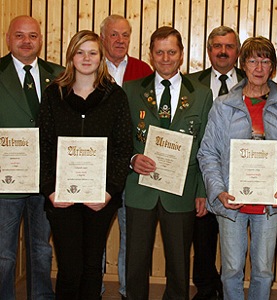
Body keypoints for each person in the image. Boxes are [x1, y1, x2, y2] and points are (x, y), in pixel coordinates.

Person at [198, 36, 277, 300]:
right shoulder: (223, 105)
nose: (259, 67)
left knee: (263, 269)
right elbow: (208, 152)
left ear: (273, 67)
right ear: (243, 65)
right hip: (231, 200)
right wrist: (218, 191)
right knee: (232, 268)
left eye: (265, 60)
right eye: (253, 60)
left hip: (268, 201)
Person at [39, 30, 133, 300]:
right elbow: (44, 145)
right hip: (61, 197)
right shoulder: (53, 94)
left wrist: (109, 191)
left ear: (101, 57)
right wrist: (50, 190)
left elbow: (123, 147)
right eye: (80, 52)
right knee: (69, 269)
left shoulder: (114, 96)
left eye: (92, 52)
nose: (86, 58)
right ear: (71, 57)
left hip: (100, 198)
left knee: (92, 267)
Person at [123, 26, 213, 300]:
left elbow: (205, 148)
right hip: (140, 188)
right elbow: (120, 138)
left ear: (181, 54)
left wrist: (201, 191)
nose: (165, 58)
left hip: (182, 190)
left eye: (171, 52)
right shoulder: (130, 90)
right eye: (159, 52)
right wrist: (132, 158)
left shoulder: (201, 93)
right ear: (150, 54)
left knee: (179, 262)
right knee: (135, 261)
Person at [0, 15, 63, 300]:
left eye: (33, 36)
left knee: (41, 249)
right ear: (8, 38)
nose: (26, 41)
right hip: (6, 179)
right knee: (3, 253)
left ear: (41, 40)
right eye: (19, 35)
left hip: (46, 177)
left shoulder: (61, 75)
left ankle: (41, 297)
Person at [186, 25, 244, 300]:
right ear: (209, 51)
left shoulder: (254, 81)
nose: (223, 51)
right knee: (204, 236)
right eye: (217, 46)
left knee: (236, 240)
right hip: (204, 174)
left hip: (243, 176)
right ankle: (206, 289)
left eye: (229, 46)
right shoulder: (190, 85)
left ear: (238, 52)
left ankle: (228, 287)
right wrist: (200, 185)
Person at [100, 14, 153, 299]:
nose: (120, 41)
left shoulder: (143, 70)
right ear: (103, 38)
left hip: (133, 169)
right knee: (94, 235)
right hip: (96, 168)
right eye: (114, 35)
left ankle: (126, 291)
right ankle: (93, 288)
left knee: (131, 236)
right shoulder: (90, 65)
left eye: (125, 35)